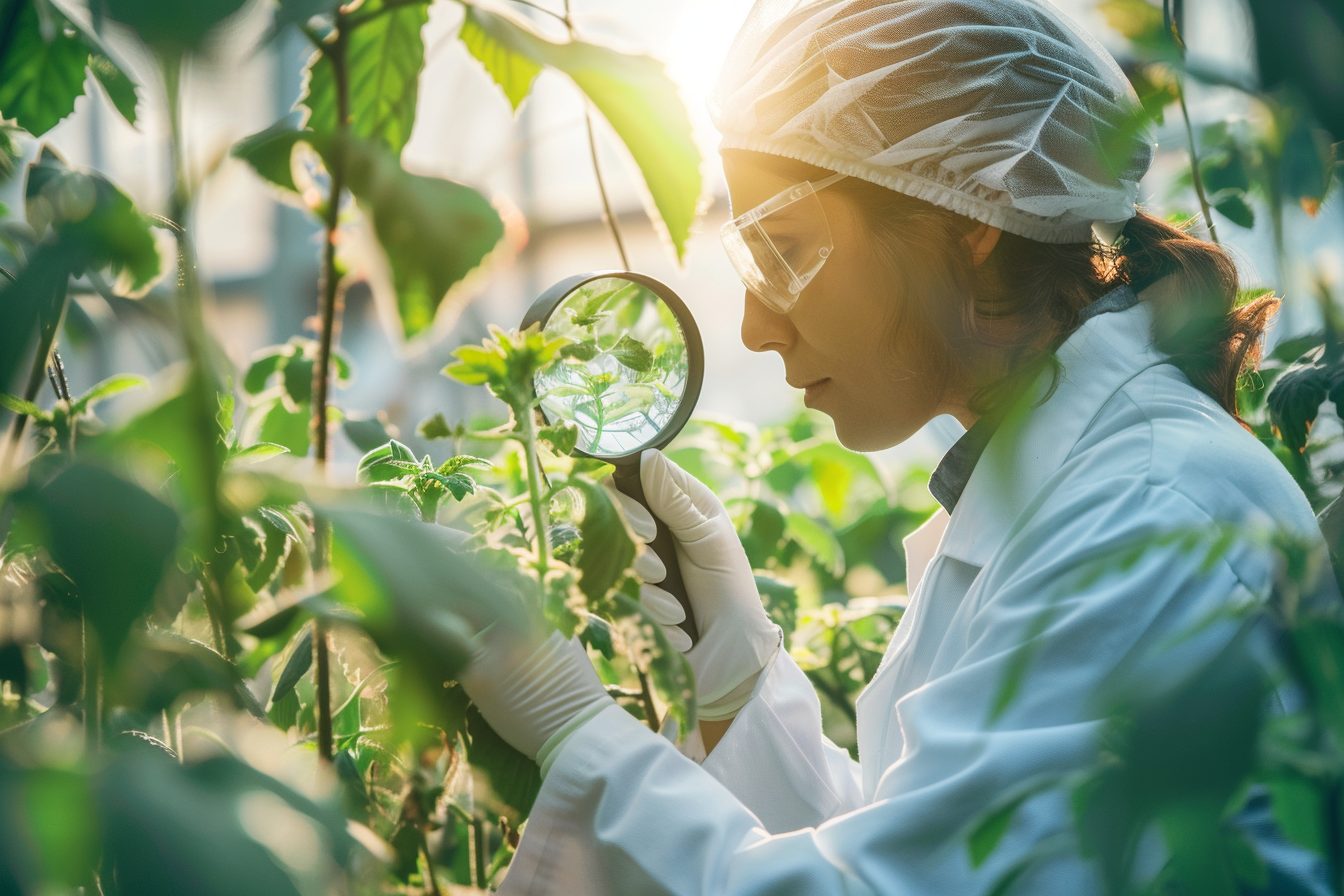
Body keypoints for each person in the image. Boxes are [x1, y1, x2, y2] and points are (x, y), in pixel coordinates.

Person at [461, 0, 1340, 892]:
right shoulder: (1070, 483)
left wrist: (576, 732)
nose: (756, 326)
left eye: (787, 248)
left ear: (967, 223)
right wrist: (736, 693)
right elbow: (902, 839)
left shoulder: (1147, 517)